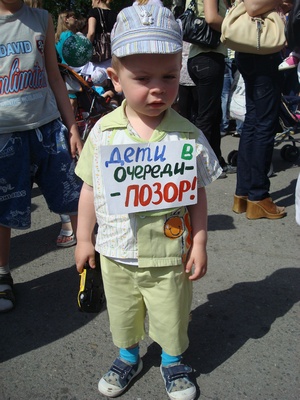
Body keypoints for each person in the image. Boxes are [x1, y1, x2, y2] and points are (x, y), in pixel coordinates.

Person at [75, 4, 222, 399]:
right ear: (115, 77)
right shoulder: (103, 133)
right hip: (116, 252)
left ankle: (173, 360)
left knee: (172, 313)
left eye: (169, 76)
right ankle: (128, 354)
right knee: (123, 313)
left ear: (182, 72)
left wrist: (202, 241)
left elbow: (197, 193)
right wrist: (84, 239)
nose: (157, 88)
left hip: (169, 254)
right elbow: (89, 187)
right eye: (142, 77)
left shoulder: (187, 137)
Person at [0, 0, 83, 313]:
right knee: (3, 210)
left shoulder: (42, 19)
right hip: (4, 135)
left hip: (48, 129)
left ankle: (90, 264)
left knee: (73, 196)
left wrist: (72, 127)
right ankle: (2, 274)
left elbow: (53, 74)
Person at [232, 0, 286, 219]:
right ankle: (259, 196)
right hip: (262, 51)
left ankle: (244, 193)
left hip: (247, 49)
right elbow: (254, 6)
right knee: (264, 125)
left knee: (253, 122)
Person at [187, 0, 236, 178]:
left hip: (201, 57)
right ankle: (203, 166)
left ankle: (216, 162)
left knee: (212, 115)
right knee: (207, 117)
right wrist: (237, 28)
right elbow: (211, 18)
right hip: (208, 57)